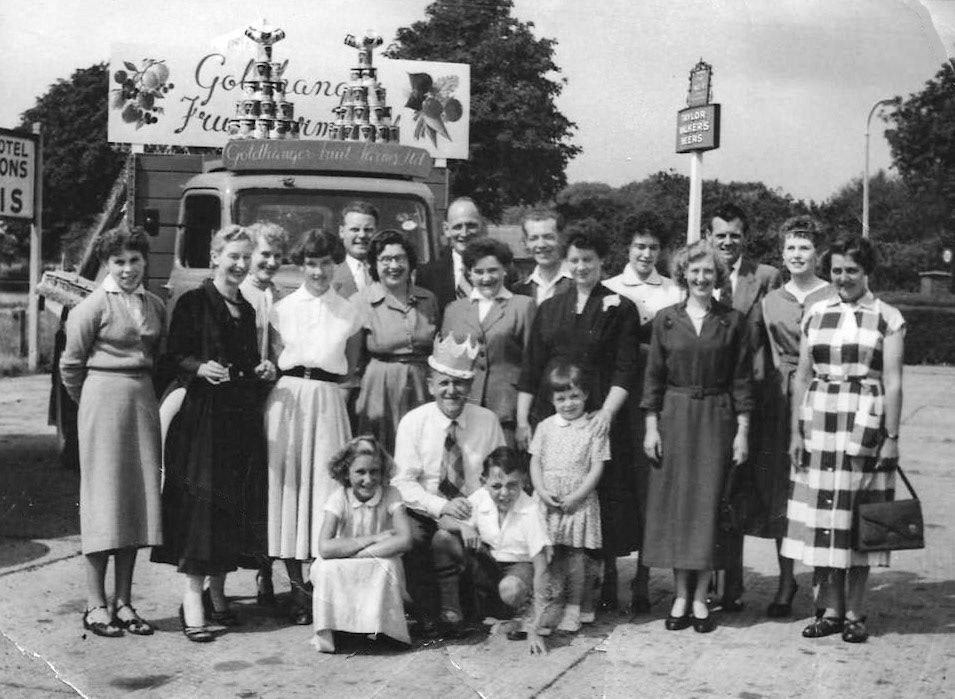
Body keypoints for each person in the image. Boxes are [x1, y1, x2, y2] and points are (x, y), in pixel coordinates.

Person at [151, 225, 276, 643]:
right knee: (203, 509)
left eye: (245, 257)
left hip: (238, 420)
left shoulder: (248, 309)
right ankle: (192, 603)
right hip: (203, 419)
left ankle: (218, 596)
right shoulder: (193, 302)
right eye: (233, 256)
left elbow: (247, 362)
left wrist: (261, 370)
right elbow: (172, 356)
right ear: (215, 257)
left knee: (229, 506)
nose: (239, 264)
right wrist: (199, 366)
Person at [782, 235, 904, 644]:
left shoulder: (887, 317)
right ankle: (830, 610)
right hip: (819, 421)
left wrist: (891, 437)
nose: (843, 278)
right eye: (836, 270)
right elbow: (802, 376)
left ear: (867, 271)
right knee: (823, 517)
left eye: (852, 270)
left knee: (858, 516)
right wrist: (795, 432)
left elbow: (894, 381)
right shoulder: (816, 313)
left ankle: (855, 612)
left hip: (865, 423)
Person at [516, 225, 640, 610]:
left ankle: (603, 581)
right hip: (554, 414)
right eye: (575, 260)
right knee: (556, 497)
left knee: (600, 495)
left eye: (588, 259)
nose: (581, 266)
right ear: (565, 262)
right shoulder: (550, 307)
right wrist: (522, 420)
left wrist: (607, 413)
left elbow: (626, 368)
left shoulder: (621, 308)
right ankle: (556, 588)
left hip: (600, 413)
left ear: (602, 261)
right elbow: (531, 367)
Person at [640, 240, 754, 634]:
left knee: (707, 506)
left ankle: (702, 597)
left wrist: (742, 432)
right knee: (679, 507)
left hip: (717, 419)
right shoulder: (666, 320)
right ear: (683, 275)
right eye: (695, 271)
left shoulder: (733, 321)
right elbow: (653, 378)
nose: (701, 278)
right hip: (675, 417)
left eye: (708, 271)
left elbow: (742, 381)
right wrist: (651, 427)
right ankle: (680, 595)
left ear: (717, 276)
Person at [60, 225, 166, 638]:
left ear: (145, 261)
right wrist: (91, 403)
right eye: (118, 261)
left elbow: (158, 355)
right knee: (104, 501)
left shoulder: (154, 304)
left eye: (134, 260)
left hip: (142, 402)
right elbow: (71, 366)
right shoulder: (90, 307)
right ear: (106, 263)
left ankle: (123, 601)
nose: (127, 269)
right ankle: (95, 604)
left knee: (135, 502)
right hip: (102, 402)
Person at [265, 228, 362, 626]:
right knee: (289, 490)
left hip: (328, 401)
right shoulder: (282, 309)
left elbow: (351, 368)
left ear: (335, 264)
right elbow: (275, 357)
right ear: (300, 265)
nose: (318, 271)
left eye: (325, 263)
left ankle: (322, 584)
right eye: (310, 263)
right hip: (288, 400)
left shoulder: (350, 312)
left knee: (325, 490)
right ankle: (296, 589)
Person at [391, 333, 506, 632]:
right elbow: (403, 482)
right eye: (444, 383)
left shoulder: (487, 421)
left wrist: (469, 513)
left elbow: (499, 475)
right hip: (427, 510)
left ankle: (474, 602)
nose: (451, 391)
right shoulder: (413, 422)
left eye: (459, 383)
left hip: (474, 511)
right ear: (430, 385)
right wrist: (442, 507)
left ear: (471, 386)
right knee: (413, 538)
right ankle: (427, 611)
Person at [602, 210, 683, 617]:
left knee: (648, 485)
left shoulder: (672, 291)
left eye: (653, 247)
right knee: (612, 484)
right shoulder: (608, 289)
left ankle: (643, 577)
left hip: (653, 400)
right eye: (639, 246)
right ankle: (608, 574)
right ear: (627, 248)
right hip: (616, 398)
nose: (646, 254)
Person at [755, 216, 836, 618]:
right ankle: (786, 580)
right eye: (790, 248)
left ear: (818, 253)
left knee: (822, 489)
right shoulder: (771, 301)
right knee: (783, 492)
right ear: (782, 254)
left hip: (826, 396)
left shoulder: (835, 294)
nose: (797, 254)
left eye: (805, 247)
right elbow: (767, 354)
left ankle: (825, 581)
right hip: (782, 400)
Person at [705, 202, 782, 612]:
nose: (727, 242)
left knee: (740, 492)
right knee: (711, 490)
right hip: (709, 397)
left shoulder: (764, 277)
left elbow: (774, 339)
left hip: (751, 398)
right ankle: (713, 580)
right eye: (720, 235)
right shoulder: (699, 273)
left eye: (734, 235)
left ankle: (733, 585)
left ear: (745, 238)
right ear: (709, 237)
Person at [435, 446, 553, 654]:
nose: (504, 493)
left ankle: (524, 616)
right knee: (443, 538)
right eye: (496, 486)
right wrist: (463, 528)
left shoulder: (531, 511)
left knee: (511, 589)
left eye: (512, 485)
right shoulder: (480, 497)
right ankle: (452, 613)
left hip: (519, 569)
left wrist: (535, 630)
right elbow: (443, 521)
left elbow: (542, 570)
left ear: (524, 481)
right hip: (488, 564)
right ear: (484, 481)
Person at [311, 436, 414, 654]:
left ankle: (386, 629)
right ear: (346, 472)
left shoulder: (391, 494)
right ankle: (339, 629)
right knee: (326, 568)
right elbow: (325, 548)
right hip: (355, 557)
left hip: (372, 557)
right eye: (360, 472)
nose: (368, 479)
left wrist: (353, 553)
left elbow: (404, 539)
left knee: (387, 566)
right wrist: (372, 538)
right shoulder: (339, 498)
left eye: (374, 471)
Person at [528, 362, 606, 633]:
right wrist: (541, 490)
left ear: (585, 395)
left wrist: (577, 496)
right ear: (552, 400)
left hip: (578, 501)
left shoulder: (593, 427)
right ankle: (551, 606)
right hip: (548, 500)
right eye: (561, 398)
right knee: (550, 555)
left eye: (574, 396)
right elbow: (535, 461)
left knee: (575, 556)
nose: (569, 404)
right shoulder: (545, 427)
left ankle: (574, 608)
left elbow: (597, 467)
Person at [238, 221, 290, 607]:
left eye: (277, 256)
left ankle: (265, 569)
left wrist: (278, 367)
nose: (270, 262)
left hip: (272, 395)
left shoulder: (281, 297)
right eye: (264, 255)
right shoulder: (239, 292)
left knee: (269, 485)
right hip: (241, 396)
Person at [441, 237, 535, 445]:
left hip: (507, 410)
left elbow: (531, 366)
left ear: (505, 270)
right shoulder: (454, 310)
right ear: (469, 273)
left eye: (493, 270)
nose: (486, 278)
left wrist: (523, 420)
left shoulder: (522, 306)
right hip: (465, 409)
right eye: (479, 272)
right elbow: (446, 366)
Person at [352, 230, 439, 454]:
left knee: (421, 448)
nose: (394, 265)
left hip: (420, 386)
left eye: (400, 258)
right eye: (385, 259)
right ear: (374, 265)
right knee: (380, 451)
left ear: (410, 262)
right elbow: (352, 360)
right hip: (379, 388)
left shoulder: (428, 299)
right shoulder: (360, 302)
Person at [416, 197, 486, 308]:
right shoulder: (427, 275)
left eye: (471, 226)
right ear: (446, 229)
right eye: (457, 227)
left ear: (482, 226)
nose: (464, 233)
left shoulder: (502, 272)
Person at [512, 208, 574, 304]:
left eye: (548, 237)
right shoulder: (518, 290)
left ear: (562, 239)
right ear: (526, 243)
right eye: (534, 238)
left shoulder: (580, 283)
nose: (541, 245)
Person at [333, 201, 378, 298]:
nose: (362, 235)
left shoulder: (389, 272)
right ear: (342, 232)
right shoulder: (328, 275)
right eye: (355, 229)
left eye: (368, 230)